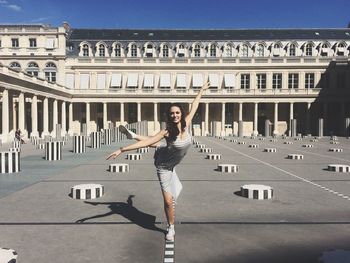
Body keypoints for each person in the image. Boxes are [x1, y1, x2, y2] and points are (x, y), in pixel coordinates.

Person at [107, 81, 210, 241]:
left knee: (158, 144)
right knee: (168, 201)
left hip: (170, 154)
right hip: (163, 165)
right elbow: (147, 143)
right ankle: (171, 227)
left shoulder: (186, 124)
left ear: (181, 114)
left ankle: (133, 134)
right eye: (172, 113)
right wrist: (122, 149)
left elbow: (195, 105)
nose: (175, 115)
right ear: (169, 116)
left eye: (177, 112)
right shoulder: (167, 131)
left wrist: (201, 90)